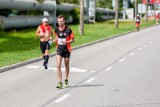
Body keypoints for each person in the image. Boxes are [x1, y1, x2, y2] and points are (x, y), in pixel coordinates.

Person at [53, 15, 74, 89]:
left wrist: (66, 42)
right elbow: (56, 37)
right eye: (58, 21)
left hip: (67, 49)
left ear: (64, 21)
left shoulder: (68, 29)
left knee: (66, 65)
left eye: (61, 21)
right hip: (59, 48)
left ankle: (66, 79)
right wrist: (55, 40)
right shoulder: (56, 29)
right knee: (58, 65)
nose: (60, 23)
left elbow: (72, 40)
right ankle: (60, 82)